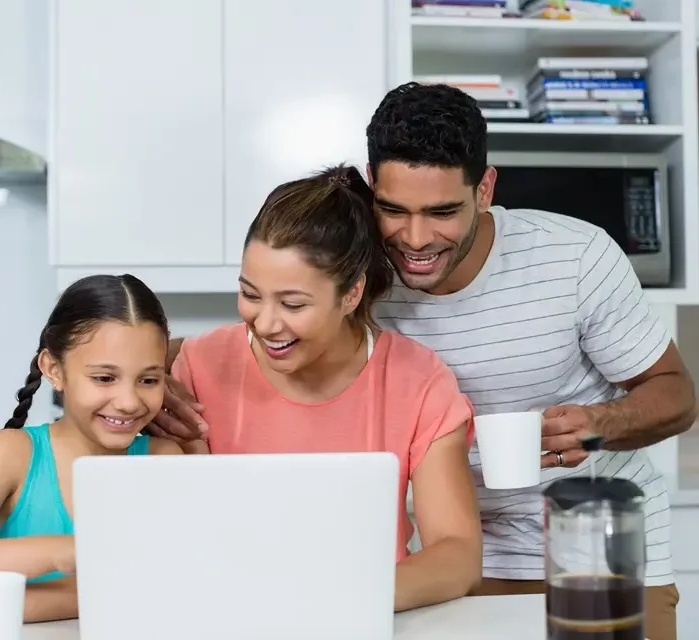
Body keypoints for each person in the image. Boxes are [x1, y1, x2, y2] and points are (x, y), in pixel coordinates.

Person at [156, 84, 696, 638]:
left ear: (484, 188)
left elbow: (675, 392)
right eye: (393, 209)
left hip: (596, 543)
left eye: (441, 212)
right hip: (468, 558)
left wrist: (601, 425)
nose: (415, 239)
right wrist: (156, 379)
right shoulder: (362, 270)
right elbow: (261, 328)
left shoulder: (576, 258)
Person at [168, 164, 482, 612]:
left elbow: (457, 554)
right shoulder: (200, 366)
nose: (266, 323)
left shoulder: (419, 382)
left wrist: (338, 603)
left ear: (352, 294)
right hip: (227, 615)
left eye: (293, 303)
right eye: (251, 295)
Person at [0, 274, 182, 639]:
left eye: (148, 380)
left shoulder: (164, 462)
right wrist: (68, 553)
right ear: (54, 369)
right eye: (104, 378)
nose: (130, 401)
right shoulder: (12, 454)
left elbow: (154, 588)